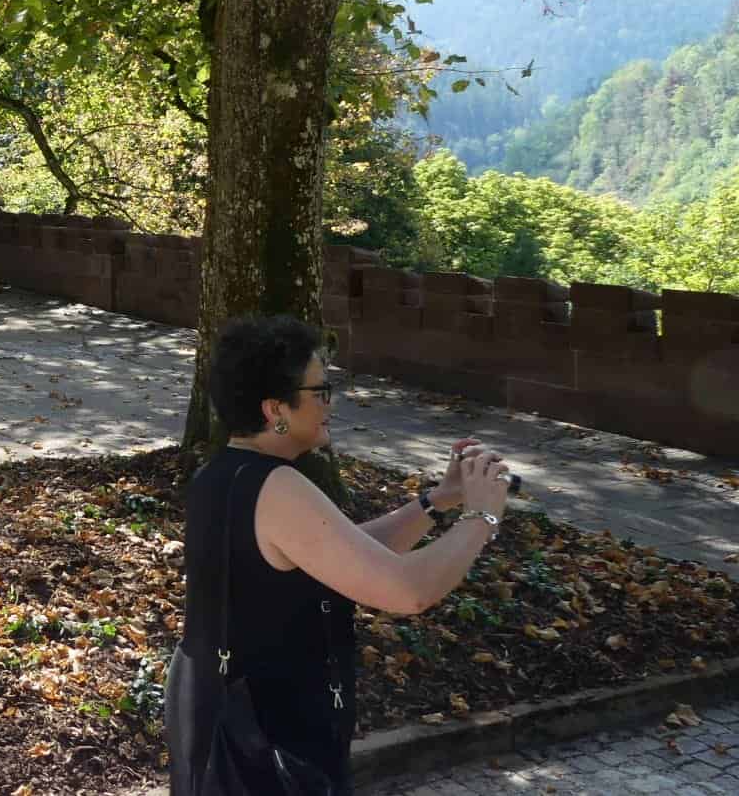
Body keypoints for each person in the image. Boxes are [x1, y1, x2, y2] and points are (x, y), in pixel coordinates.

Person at [166, 315, 514, 795]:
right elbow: (409, 591)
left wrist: (440, 500)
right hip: (273, 756)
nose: (331, 403)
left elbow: (345, 554)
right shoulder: (277, 487)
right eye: (320, 391)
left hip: (234, 742)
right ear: (275, 409)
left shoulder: (222, 474)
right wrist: (482, 516)